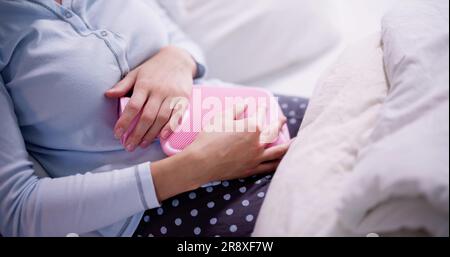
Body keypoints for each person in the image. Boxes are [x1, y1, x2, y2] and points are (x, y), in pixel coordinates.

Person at [0, 0, 308, 237]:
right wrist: (199, 166)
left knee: (350, 115)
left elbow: (171, 31)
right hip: (155, 209)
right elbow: (16, 211)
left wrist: (177, 59)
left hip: (229, 111)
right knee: (313, 215)